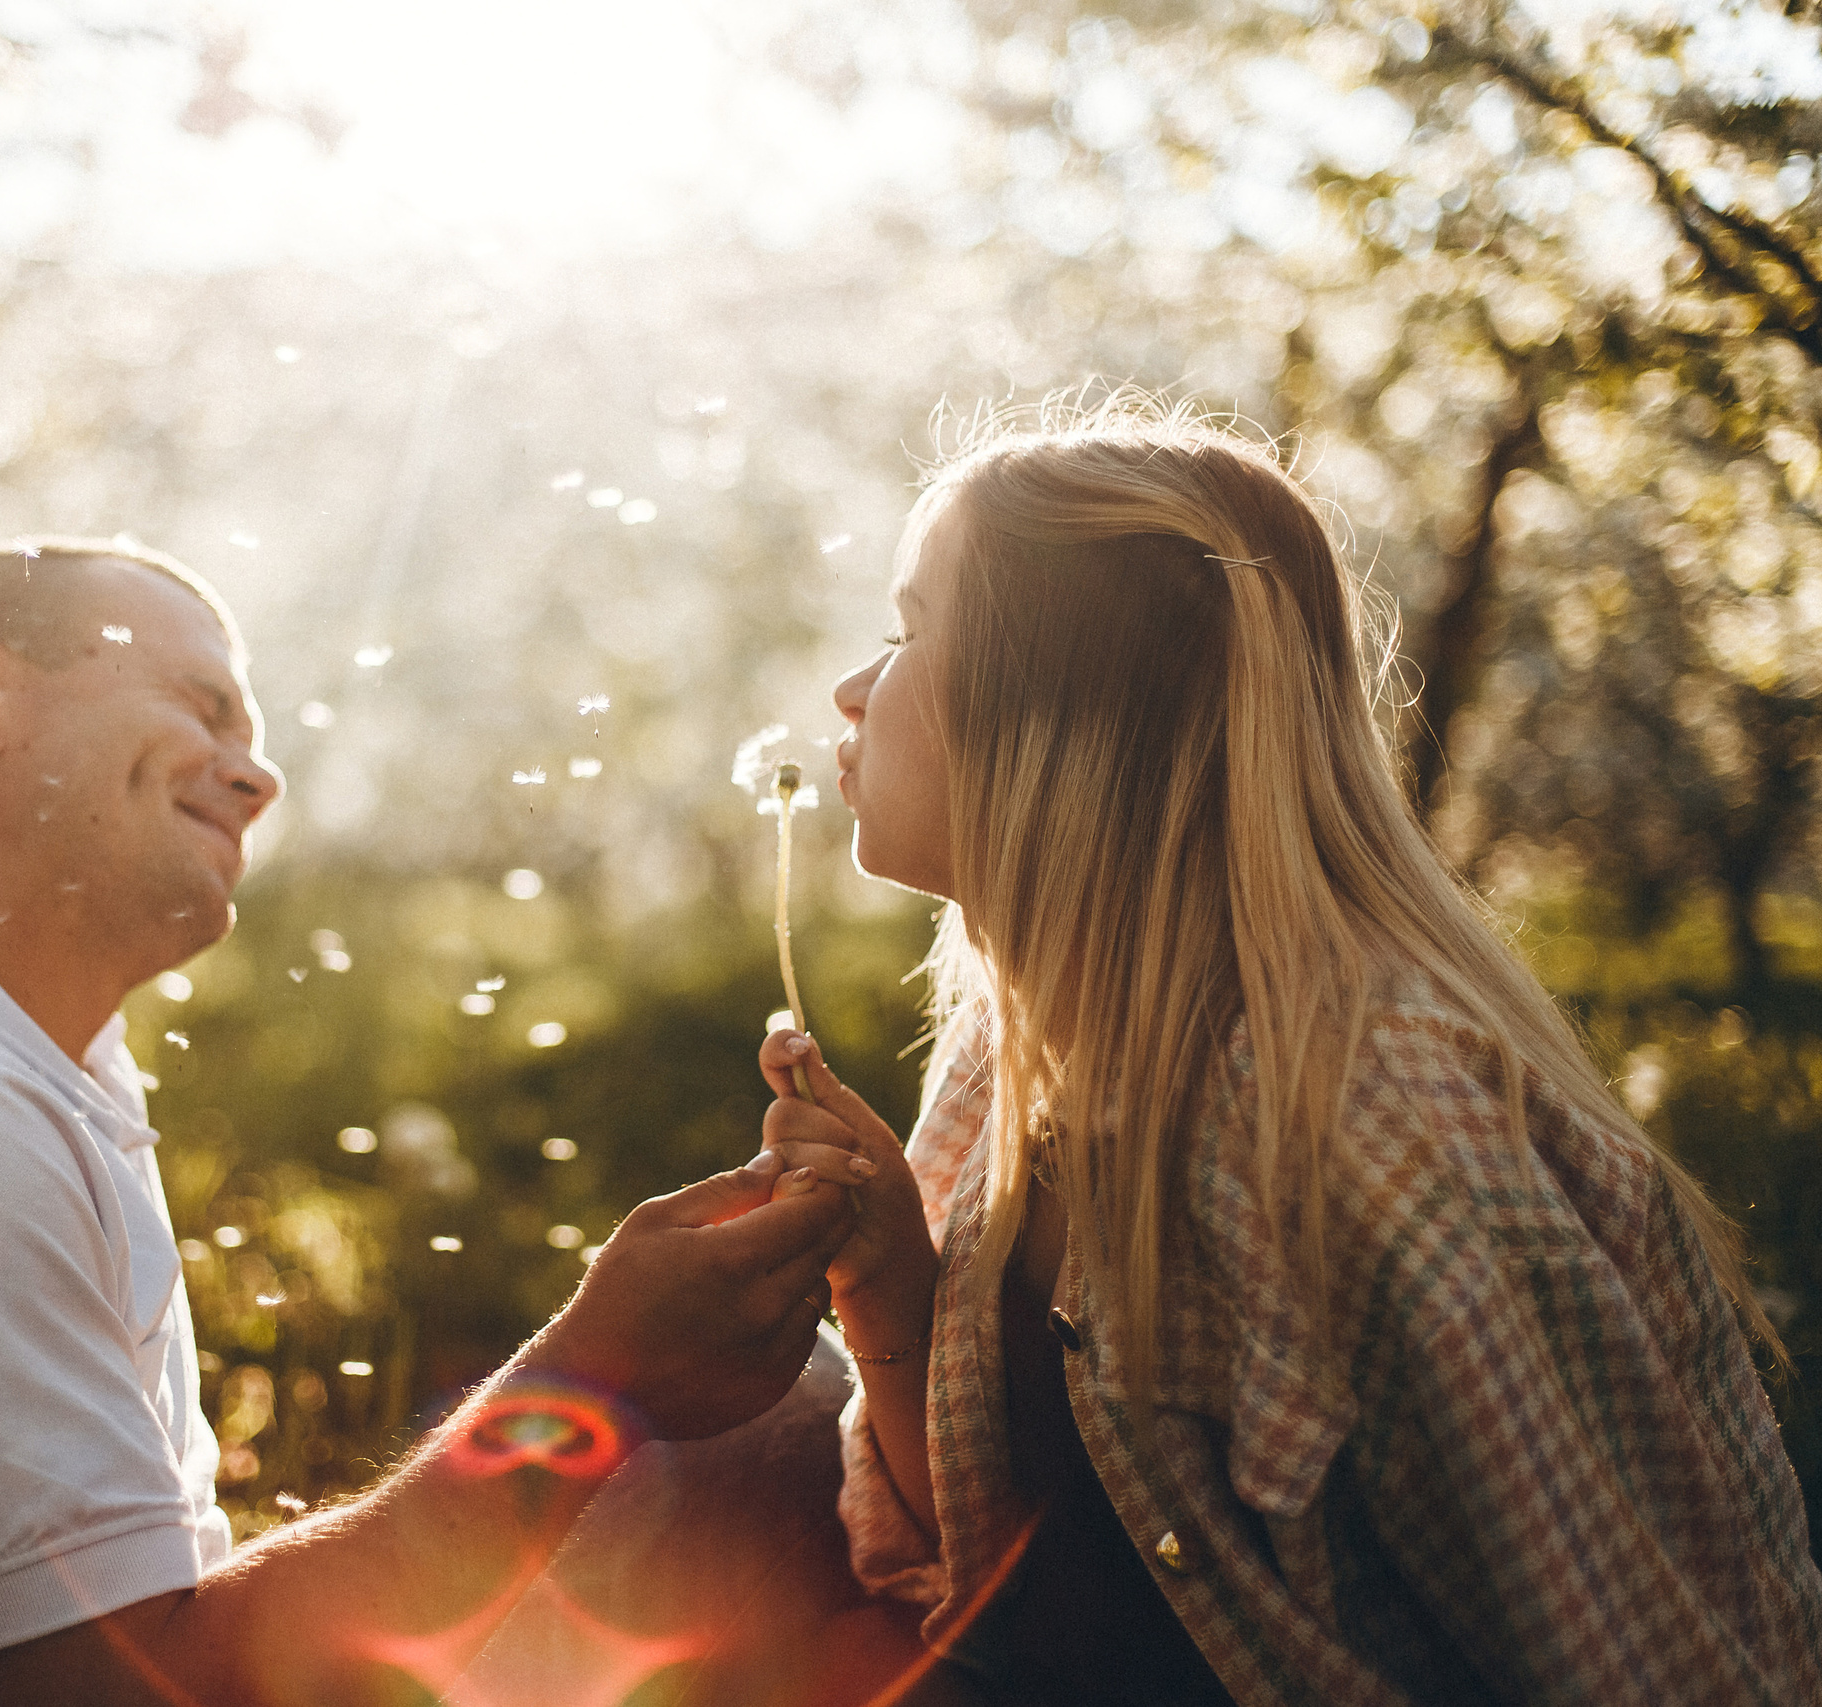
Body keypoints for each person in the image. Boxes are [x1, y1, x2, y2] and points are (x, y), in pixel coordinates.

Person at [0, 538, 861, 1706]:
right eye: (202, 705)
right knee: (781, 1454)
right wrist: (596, 1381)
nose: (258, 775)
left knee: (793, 1434)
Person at [753, 400, 1822, 1707]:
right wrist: (890, 1286)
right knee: (722, 1430)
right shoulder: (1016, 1049)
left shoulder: (1354, 1128)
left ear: (1067, 705)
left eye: (911, 632)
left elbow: (1633, 1665)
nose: (854, 688)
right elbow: (1009, 1581)